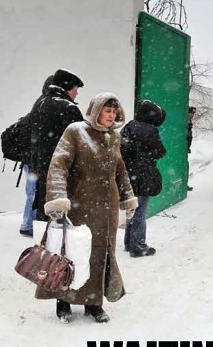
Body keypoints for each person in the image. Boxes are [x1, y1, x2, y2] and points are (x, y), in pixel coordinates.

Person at [36, 92, 138, 323]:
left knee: (100, 255)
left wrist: (128, 197)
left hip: (107, 210)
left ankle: (94, 303)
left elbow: (120, 170)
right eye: (107, 111)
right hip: (79, 206)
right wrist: (58, 198)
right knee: (71, 254)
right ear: (96, 110)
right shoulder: (75, 131)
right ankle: (63, 301)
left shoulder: (114, 137)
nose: (111, 115)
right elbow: (59, 165)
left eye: (114, 111)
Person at [30, 68, 84, 221]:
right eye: (75, 89)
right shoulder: (68, 108)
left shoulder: (40, 104)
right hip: (61, 172)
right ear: (67, 88)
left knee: (45, 212)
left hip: (40, 168)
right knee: (62, 219)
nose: (77, 93)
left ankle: (43, 234)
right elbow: (81, 141)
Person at [121, 99, 166, 257]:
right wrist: (148, 155)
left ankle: (128, 243)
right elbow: (160, 151)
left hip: (128, 173)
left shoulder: (129, 125)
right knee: (140, 211)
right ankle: (138, 246)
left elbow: (122, 146)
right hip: (143, 174)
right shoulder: (150, 130)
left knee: (132, 208)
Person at [19, 75, 54, 237]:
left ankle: (29, 224)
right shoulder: (43, 106)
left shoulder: (39, 104)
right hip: (32, 160)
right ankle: (28, 225)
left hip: (30, 159)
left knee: (32, 193)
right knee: (33, 193)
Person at [187, 106, 196, 191]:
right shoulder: (184, 122)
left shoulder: (189, 121)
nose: (192, 115)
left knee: (186, 166)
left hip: (186, 148)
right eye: (191, 113)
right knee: (184, 166)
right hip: (183, 148)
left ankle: (185, 183)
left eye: (193, 114)